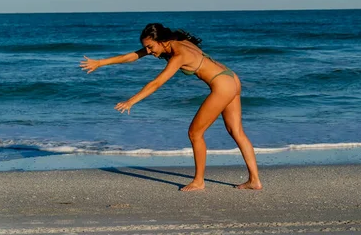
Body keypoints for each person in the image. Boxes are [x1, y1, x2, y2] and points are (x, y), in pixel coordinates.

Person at [80, 23, 262, 191]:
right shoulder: (176, 42)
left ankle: (199, 181)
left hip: (222, 85)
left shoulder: (179, 54)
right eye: (147, 47)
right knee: (236, 131)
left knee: (195, 133)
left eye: (151, 47)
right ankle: (254, 180)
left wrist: (131, 101)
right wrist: (100, 62)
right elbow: (133, 56)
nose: (149, 51)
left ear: (162, 41)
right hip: (231, 78)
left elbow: (157, 83)